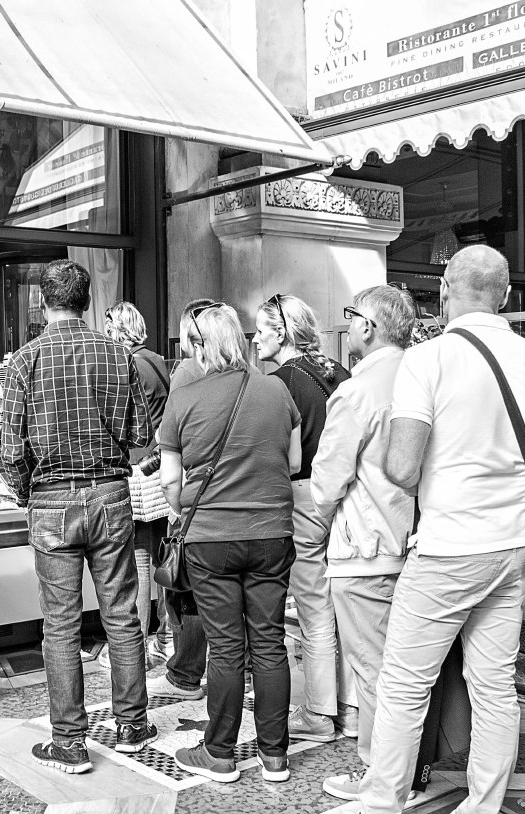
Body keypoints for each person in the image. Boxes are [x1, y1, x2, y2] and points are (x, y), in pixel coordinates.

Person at [359, 245, 525, 814]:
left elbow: (402, 470)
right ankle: (484, 805)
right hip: (513, 548)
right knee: (495, 687)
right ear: (504, 295)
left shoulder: (427, 361)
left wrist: (385, 442)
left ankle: (383, 803)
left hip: (449, 549)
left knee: (404, 686)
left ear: (445, 290)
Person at [1, 259, 158, 773]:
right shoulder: (118, 355)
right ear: (87, 301)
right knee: (121, 612)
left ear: (41, 302)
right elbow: (140, 438)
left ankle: (69, 741)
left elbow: (10, 451)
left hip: (50, 499)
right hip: (110, 494)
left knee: (61, 625)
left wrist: (29, 491)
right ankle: (133, 724)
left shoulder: (24, 361)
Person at [163, 302, 301, 784]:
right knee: (269, 642)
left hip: (212, 538)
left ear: (198, 346)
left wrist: (183, 505)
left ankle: (220, 753)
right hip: (272, 533)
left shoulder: (183, 400)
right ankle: (275, 756)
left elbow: (170, 482)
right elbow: (295, 459)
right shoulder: (276, 389)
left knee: (225, 648)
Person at [293, 286, 417, 800]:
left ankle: (378, 774)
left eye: (351, 318)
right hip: (413, 542)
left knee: (375, 673)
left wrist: (313, 531)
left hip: (365, 544)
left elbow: (327, 480)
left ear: (367, 326)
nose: (348, 328)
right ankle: (414, 768)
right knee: (402, 668)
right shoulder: (420, 374)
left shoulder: (358, 390)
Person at [253, 293, 355, 743]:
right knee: (350, 607)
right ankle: (351, 709)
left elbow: (283, 458)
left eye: (260, 330)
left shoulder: (282, 382)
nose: (255, 340)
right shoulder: (338, 373)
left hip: (303, 496)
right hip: (351, 498)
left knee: (314, 610)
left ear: (280, 333)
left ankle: (318, 714)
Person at [145, 298, 217, 699]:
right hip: (232, 502)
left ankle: (185, 672)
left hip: (192, 496)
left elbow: (170, 436)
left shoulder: (187, 370)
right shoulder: (248, 375)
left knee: (184, 588)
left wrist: (175, 507)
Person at [102, 301, 170, 666]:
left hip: (138, 468)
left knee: (140, 562)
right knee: (164, 556)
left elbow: (126, 420)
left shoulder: (129, 365)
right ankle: (166, 636)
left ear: (118, 330)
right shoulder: (157, 360)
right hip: (160, 465)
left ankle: (138, 647)